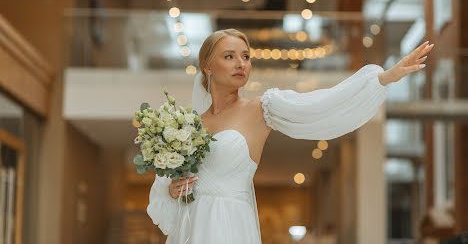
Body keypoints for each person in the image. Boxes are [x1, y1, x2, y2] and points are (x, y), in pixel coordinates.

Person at [147, 29, 434, 244]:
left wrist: (382, 78)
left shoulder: (261, 109)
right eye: (229, 56)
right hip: (191, 228)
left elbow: (323, 102)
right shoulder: (186, 125)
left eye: (246, 57)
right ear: (207, 67)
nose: (241, 64)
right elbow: (167, 185)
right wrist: (173, 190)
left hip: (230, 226)